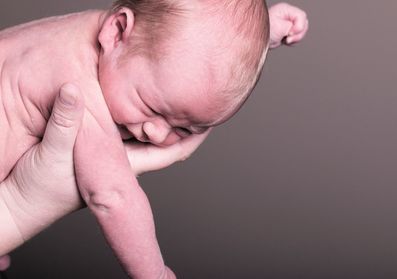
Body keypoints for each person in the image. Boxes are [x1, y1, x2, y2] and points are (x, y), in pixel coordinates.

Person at [0, 1, 308, 278]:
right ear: (116, 31)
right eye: (150, 107)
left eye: (185, 129)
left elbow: (196, 53)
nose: (157, 134)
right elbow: (112, 197)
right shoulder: (77, 87)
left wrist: (258, 36)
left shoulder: (122, 40)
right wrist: (155, 273)